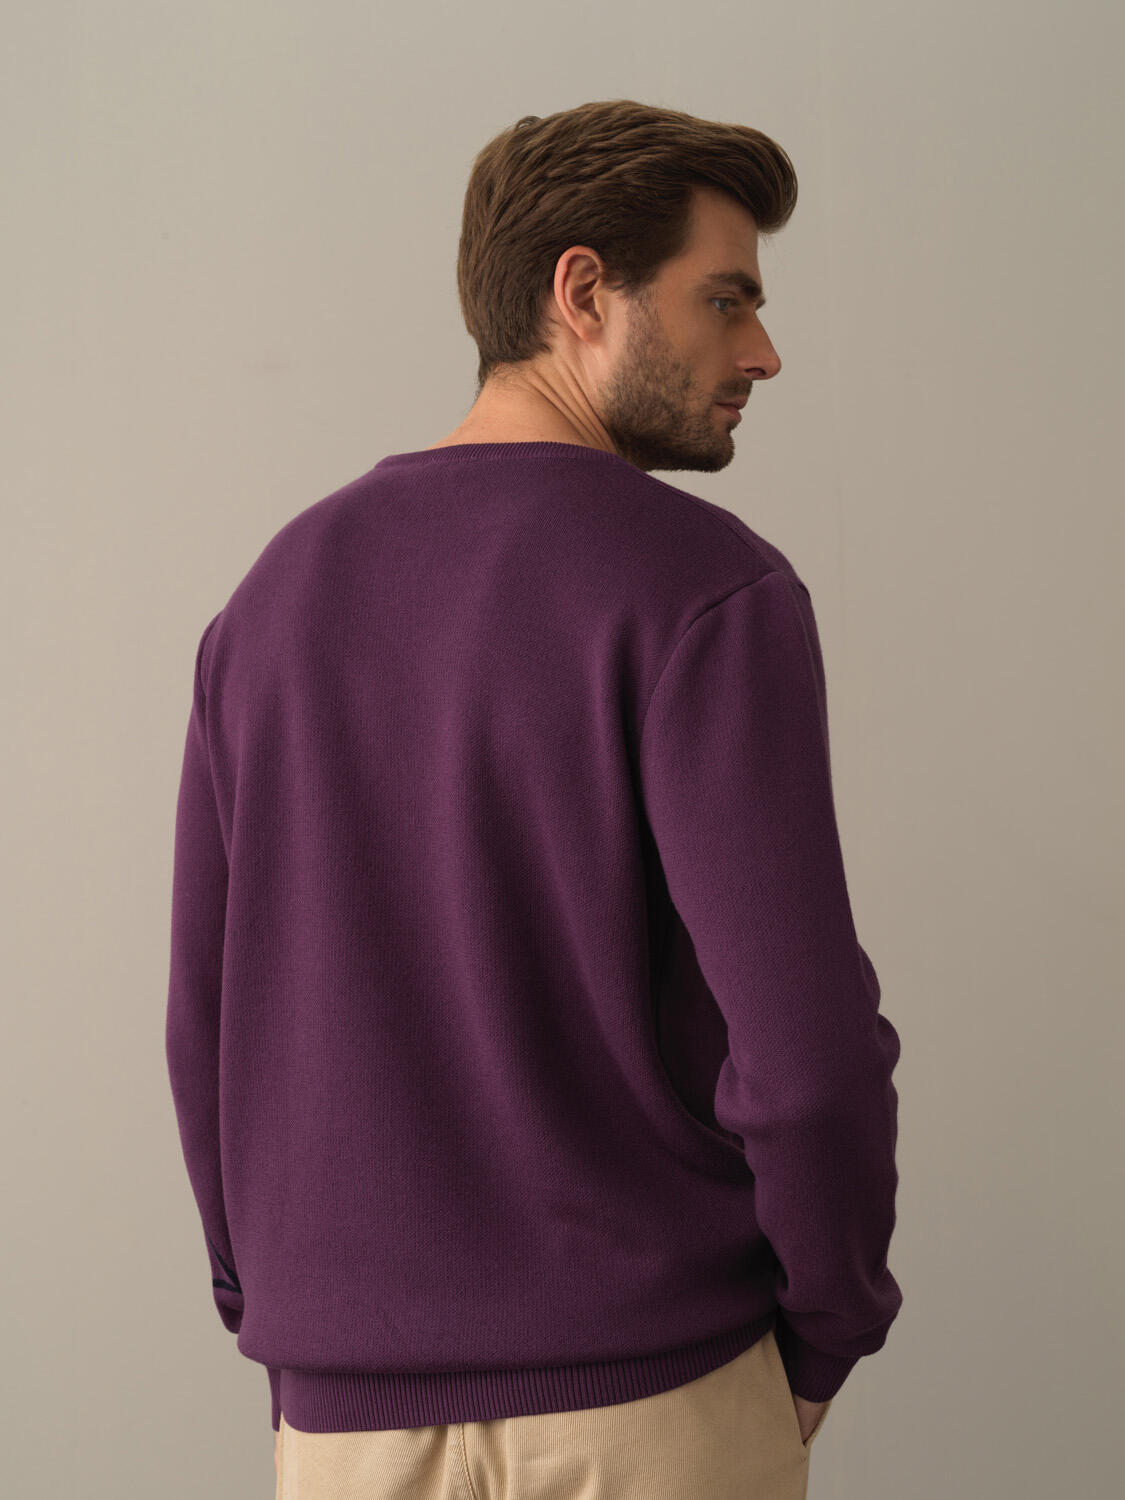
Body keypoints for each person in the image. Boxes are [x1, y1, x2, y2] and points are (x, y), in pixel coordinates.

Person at [167, 98, 903, 1500]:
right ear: (582, 291)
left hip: (344, 1425)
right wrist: (828, 1327)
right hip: (650, 1400)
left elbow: (207, 1026)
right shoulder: (703, 589)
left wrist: (287, 1315)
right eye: (726, 298)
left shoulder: (272, 602)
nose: (761, 351)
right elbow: (805, 1053)